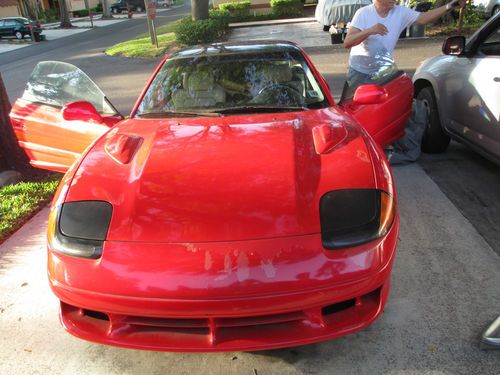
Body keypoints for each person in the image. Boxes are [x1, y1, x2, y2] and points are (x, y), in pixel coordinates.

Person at [343, 0, 466, 89]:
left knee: (381, 110)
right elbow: (348, 42)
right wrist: (369, 31)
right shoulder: (363, 13)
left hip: (382, 71)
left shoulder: (400, 12)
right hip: (359, 72)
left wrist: (449, 6)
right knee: (354, 109)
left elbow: (424, 18)